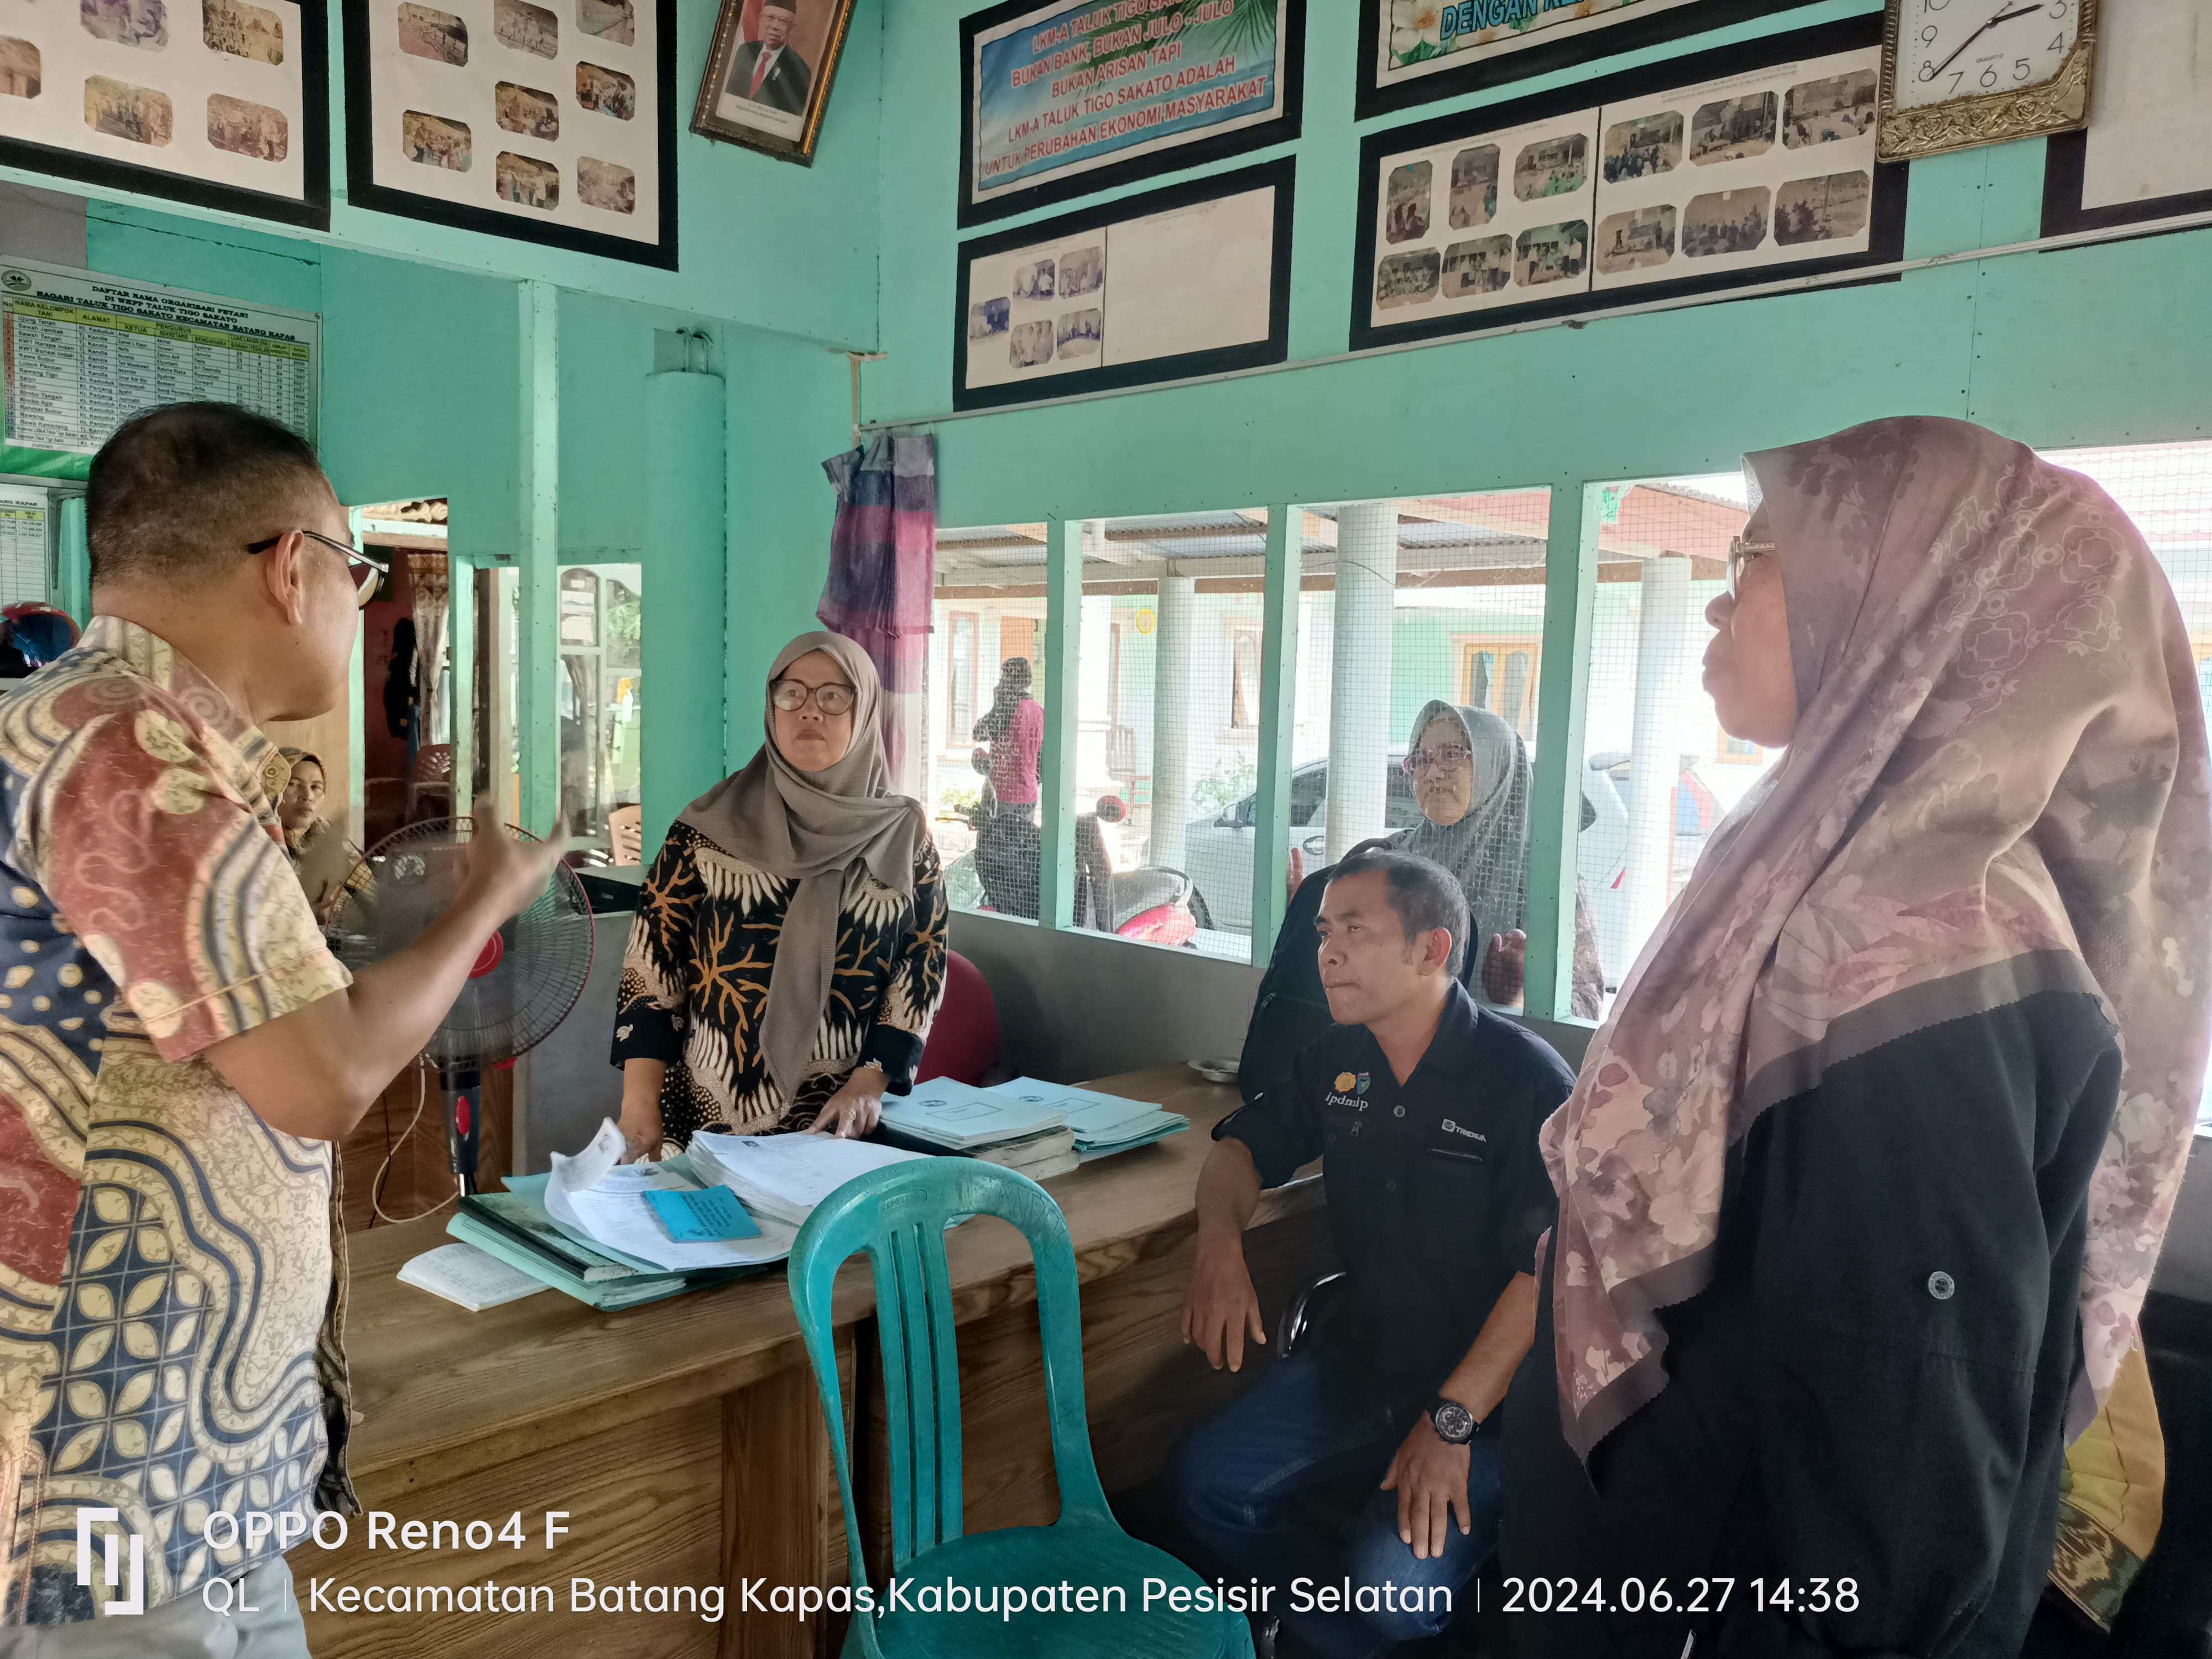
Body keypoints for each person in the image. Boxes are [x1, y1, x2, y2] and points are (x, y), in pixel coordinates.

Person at [1500, 417, 2211, 1658]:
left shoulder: (1924, 961)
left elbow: (1898, 1484)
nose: (1719, 609)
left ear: (1911, 608)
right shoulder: (1812, 861)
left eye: (1755, 559)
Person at [0, 402, 563, 1649]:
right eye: (355, 572)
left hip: (184, 1452)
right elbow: (325, 1079)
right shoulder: (132, 752)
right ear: (291, 565)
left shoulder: (72, 723)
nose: (357, 605)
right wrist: (482, 905)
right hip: (116, 1465)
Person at [1172, 848, 1575, 1659]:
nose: (1328, 952)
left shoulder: (1524, 1082)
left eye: (1355, 930)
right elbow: (1239, 1152)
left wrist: (1451, 1424)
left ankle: (1365, 1607)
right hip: (1363, 1366)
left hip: (1494, 1411)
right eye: (1324, 931)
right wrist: (1219, 1246)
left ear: (1431, 950)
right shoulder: (1337, 1059)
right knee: (1203, 1487)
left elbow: (1547, 1274)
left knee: (1392, 1591)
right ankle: (1335, 1621)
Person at [613, 630, 947, 1156]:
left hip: (841, 1128)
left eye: (834, 696)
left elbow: (921, 965)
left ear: (864, 713)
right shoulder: (705, 831)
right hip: (706, 1125)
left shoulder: (904, 837)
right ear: (771, 707)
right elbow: (652, 971)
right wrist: (639, 1107)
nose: (809, 711)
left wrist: (869, 1083)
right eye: (792, 693)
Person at [1237, 703, 1604, 1123]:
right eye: (1422, 759)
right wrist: (1309, 922)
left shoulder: (1545, 882)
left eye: (1452, 755)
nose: (1432, 773)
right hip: (1379, 1084)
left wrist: (1527, 989)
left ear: (1495, 766)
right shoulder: (1390, 858)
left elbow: (1586, 1006)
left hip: (1487, 1100)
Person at [972, 655, 1042, 919]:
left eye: (1004, 676)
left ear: (1011, 680)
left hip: (1004, 795)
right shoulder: (1038, 709)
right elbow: (1041, 760)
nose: (1000, 681)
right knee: (1020, 859)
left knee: (995, 862)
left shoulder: (1007, 706)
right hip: (1029, 794)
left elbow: (979, 732)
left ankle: (998, 914)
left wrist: (997, 701)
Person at [274, 746, 371, 920]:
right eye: (293, 785)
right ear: (272, 789)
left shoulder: (328, 837)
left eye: (316, 787)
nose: (308, 796)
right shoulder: (254, 843)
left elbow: (376, 897)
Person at [724, 0, 811, 116]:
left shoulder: (800, 71)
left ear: (792, 28)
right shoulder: (745, 51)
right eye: (770, 17)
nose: (775, 26)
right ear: (760, 19)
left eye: (783, 22)